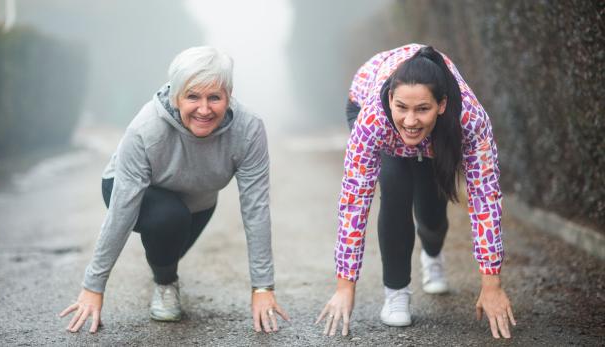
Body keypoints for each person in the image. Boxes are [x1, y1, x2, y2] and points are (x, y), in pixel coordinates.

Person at [59, 46, 288, 333]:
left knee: (169, 251)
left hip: (198, 200)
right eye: (193, 96)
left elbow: (256, 209)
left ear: (228, 97)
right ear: (175, 96)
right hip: (133, 191)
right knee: (169, 220)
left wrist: (262, 288)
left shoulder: (248, 130)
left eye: (214, 97)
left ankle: (162, 264)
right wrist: (93, 286)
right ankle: (166, 285)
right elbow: (122, 211)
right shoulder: (146, 129)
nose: (204, 109)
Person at [317, 44, 516, 339]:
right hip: (369, 108)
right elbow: (354, 200)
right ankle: (396, 291)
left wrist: (492, 285)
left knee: (431, 210)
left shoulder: (470, 120)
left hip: (439, 132)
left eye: (422, 108)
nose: (410, 120)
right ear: (390, 99)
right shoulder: (373, 121)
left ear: (442, 104)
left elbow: (485, 198)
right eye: (403, 108)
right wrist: (345, 286)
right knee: (395, 184)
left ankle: (432, 255)